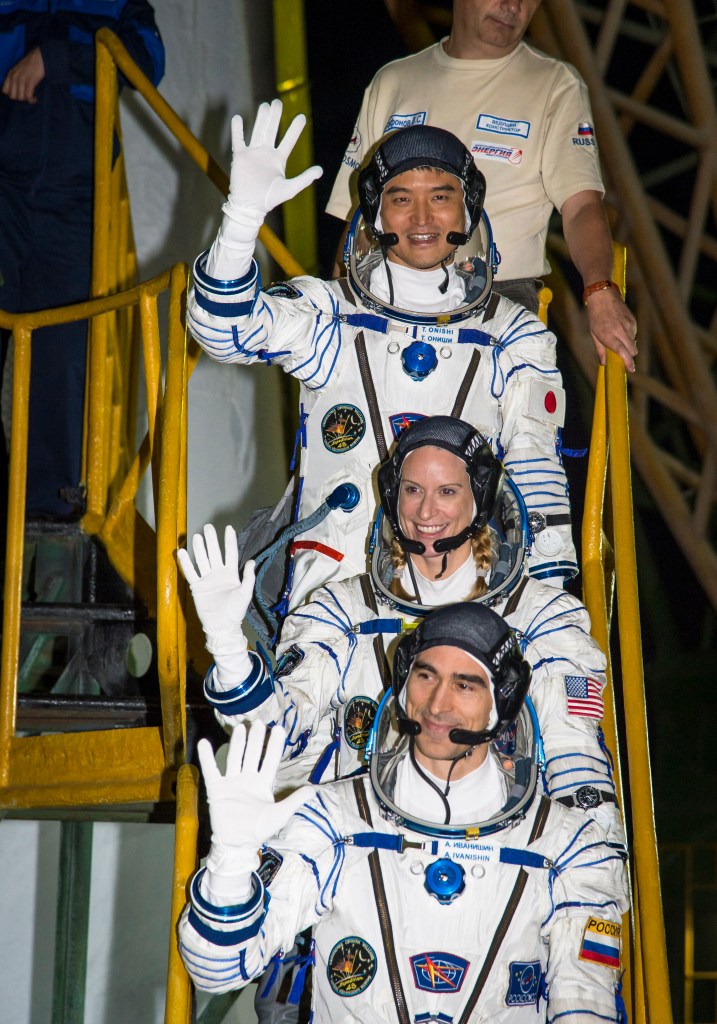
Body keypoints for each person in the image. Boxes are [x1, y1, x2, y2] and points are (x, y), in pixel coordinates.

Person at [187, 100, 576, 612]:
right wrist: (241, 221)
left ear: (468, 210)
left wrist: (548, 604)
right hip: (333, 585)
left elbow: (535, 469)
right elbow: (223, 330)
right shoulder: (331, 316)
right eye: (400, 198)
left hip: (466, 595)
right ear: (374, 213)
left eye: (441, 197)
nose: (422, 217)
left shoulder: (511, 335)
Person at [178, 415, 621, 843]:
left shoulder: (543, 620)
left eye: (447, 491)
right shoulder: (341, 613)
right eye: (412, 490)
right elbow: (279, 734)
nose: (426, 510)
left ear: (480, 498)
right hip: (363, 847)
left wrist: (590, 866)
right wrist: (229, 648)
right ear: (392, 497)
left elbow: (576, 763)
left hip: (497, 853)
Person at [178, 603, 630, 1021]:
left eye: (465, 685)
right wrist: (230, 863)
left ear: (504, 703)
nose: (437, 705)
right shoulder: (332, 820)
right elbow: (218, 970)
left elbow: (586, 1008)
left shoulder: (569, 848)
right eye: (426, 676)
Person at [325, 0, 638, 372]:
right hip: (388, 297)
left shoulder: (555, 84)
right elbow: (357, 219)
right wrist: (336, 310)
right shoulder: (393, 81)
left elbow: (581, 205)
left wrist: (599, 290)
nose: (512, 6)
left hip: (499, 301)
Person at [0, 0, 165, 517]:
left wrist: (54, 58)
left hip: (74, 199)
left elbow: (147, 61)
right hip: (4, 188)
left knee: (63, 351)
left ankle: (48, 515)